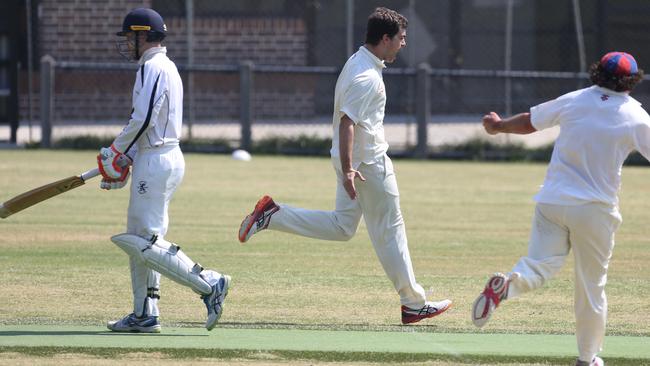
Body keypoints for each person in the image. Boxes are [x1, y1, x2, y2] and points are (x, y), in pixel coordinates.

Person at [238, 7, 451, 325]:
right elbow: (347, 123)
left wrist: (346, 165)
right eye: (401, 39)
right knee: (391, 232)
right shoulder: (366, 77)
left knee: (342, 227)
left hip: (349, 160)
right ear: (384, 38)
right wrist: (351, 169)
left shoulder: (359, 61)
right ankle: (413, 302)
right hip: (368, 166)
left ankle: (273, 215)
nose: (403, 44)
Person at [471, 51, 648, 366]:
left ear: (598, 74)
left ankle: (506, 286)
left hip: (552, 202)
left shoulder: (577, 99)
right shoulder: (635, 115)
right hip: (595, 210)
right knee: (591, 287)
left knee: (539, 265)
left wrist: (498, 126)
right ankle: (587, 359)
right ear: (632, 82)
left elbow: (529, 122)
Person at [97, 8, 230, 333]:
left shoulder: (153, 67)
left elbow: (142, 118)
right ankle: (145, 312)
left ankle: (209, 282)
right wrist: (126, 158)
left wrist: (115, 151)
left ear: (145, 36)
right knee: (144, 239)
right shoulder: (161, 67)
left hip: (157, 159)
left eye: (131, 37)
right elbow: (148, 121)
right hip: (155, 156)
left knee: (144, 241)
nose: (128, 43)